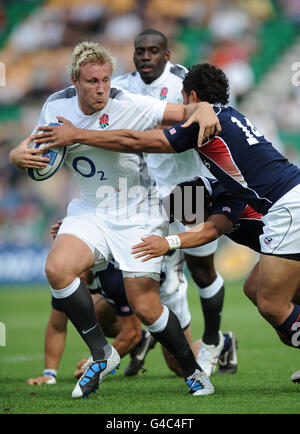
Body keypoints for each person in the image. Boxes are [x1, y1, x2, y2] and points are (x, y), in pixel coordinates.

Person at [32, 62, 300, 357]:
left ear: (191, 97)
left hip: (286, 207)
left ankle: (213, 342)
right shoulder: (226, 133)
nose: (180, 106)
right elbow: (165, 211)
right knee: (255, 288)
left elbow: (134, 140)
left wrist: (78, 135)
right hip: (289, 201)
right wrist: (79, 224)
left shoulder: (203, 127)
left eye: (183, 99)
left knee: (272, 305)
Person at [10, 43, 221, 398]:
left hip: (138, 213)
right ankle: (102, 352)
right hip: (91, 210)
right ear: (76, 80)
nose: (101, 87)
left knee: (147, 306)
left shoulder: (130, 104)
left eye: (106, 79)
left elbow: (187, 109)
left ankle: (194, 372)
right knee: (57, 269)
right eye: (92, 81)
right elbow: (31, 149)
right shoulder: (56, 106)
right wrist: (18, 155)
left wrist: (203, 110)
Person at [112, 29, 227, 376]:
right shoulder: (119, 86)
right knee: (165, 276)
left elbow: (210, 111)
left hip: (185, 187)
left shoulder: (182, 81)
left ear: (166, 54)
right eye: (139, 51)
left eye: (153, 51)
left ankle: (213, 338)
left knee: (200, 269)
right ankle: (186, 351)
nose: (145, 56)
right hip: (142, 192)